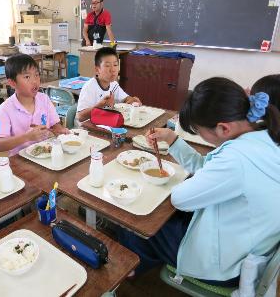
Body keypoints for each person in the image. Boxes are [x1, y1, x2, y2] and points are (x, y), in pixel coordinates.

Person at [118, 77, 280, 286]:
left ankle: (132, 268)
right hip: (247, 246)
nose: (201, 137)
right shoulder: (264, 134)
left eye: (200, 132)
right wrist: (171, 138)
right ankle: (145, 259)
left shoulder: (236, 159)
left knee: (134, 219)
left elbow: (180, 198)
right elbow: (206, 167)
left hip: (227, 267)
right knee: (163, 220)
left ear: (223, 128)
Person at [0, 54, 69, 156]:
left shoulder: (44, 99)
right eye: (27, 77)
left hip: (46, 154)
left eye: (37, 75)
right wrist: (27, 137)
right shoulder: (5, 109)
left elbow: (55, 125)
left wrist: (60, 131)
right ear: (12, 83)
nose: (35, 81)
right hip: (20, 160)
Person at [76, 47, 140, 122]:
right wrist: (100, 106)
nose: (113, 70)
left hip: (105, 123)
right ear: (97, 70)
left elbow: (126, 98)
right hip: (88, 127)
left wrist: (133, 101)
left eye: (115, 65)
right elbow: (80, 117)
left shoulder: (113, 84)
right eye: (107, 66)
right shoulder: (90, 87)